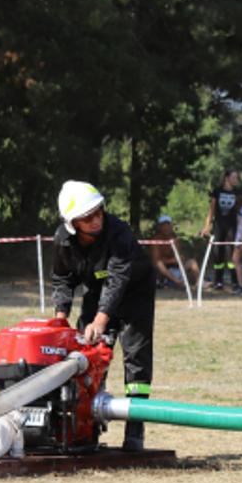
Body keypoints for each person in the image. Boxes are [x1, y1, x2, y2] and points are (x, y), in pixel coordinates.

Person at [48, 181, 156, 451]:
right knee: (87, 356)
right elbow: (62, 279)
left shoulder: (119, 232)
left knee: (136, 358)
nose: (97, 220)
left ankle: (135, 432)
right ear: (73, 222)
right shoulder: (63, 240)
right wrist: (61, 320)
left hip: (135, 293)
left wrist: (100, 320)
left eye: (99, 212)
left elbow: (118, 279)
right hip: (96, 292)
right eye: (88, 216)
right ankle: (86, 428)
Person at [199, 170, 242, 292]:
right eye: (234, 177)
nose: (236, 180)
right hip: (219, 225)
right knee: (218, 253)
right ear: (226, 178)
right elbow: (211, 210)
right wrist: (206, 226)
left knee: (232, 254)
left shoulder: (238, 192)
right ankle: (218, 281)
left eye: (237, 178)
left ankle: (235, 281)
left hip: (232, 227)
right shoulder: (217, 191)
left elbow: (241, 210)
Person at [146, 215, 200, 290]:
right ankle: (177, 282)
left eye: (168, 225)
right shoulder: (155, 240)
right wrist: (172, 260)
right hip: (162, 270)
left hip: (175, 268)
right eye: (164, 225)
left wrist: (180, 258)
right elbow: (155, 261)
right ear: (160, 227)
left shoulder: (175, 239)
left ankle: (199, 282)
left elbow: (177, 256)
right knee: (159, 264)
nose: (167, 228)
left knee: (192, 262)